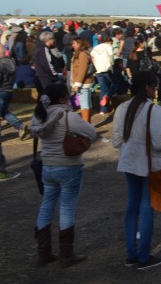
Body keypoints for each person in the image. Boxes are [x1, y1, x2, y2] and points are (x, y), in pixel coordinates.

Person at [31, 83, 97, 267]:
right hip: (68, 166)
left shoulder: (39, 115)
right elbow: (91, 132)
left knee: (46, 206)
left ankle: (43, 252)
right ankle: (66, 254)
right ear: (62, 98)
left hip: (47, 166)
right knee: (67, 208)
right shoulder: (67, 116)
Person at [112, 71, 161, 270]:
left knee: (132, 207)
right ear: (147, 87)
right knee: (146, 208)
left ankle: (132, 254)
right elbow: (159, 142)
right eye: (154, 87)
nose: (155, 91)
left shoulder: (122, 108)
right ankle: (144, 256)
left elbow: (116, 141)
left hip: (129, 162)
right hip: (147, 164)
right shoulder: (152, 110)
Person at [0, 53, 30, 139]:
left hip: (1, 91)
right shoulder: (11, 62)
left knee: (3, 112)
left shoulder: (0, 64)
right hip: (8, 91)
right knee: (4, 112)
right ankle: (20, 126)